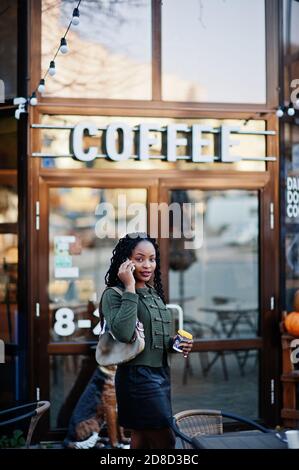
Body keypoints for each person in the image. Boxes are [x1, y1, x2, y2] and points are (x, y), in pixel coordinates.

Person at [101, 232, 193, 449]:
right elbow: (124, 333)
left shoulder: (154, 293)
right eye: (139, 258)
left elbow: (155, 338)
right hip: (137, 377)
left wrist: (176, 344)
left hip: (160, 374)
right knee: (166, 441)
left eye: (152, 259)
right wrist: (130, 287)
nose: (147, 265)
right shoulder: (114, 294)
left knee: (141, 438)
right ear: (126, 261)